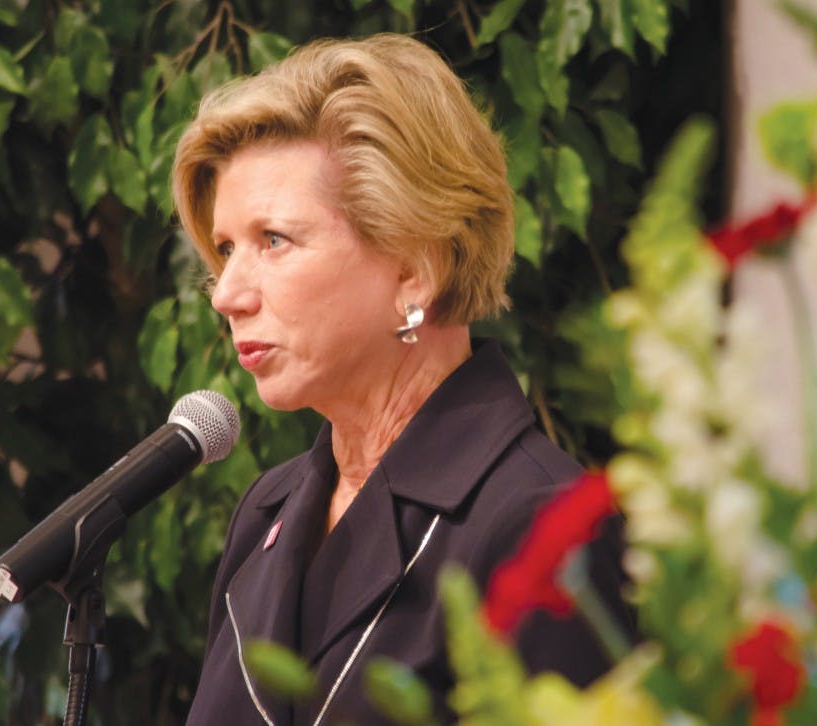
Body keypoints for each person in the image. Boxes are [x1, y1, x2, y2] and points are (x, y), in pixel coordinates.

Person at [172, 33, 633, 725]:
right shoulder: (267, 512)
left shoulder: (547, 528)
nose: (225, 294)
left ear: (415, 266)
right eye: (227, 249)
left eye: (273, 241)